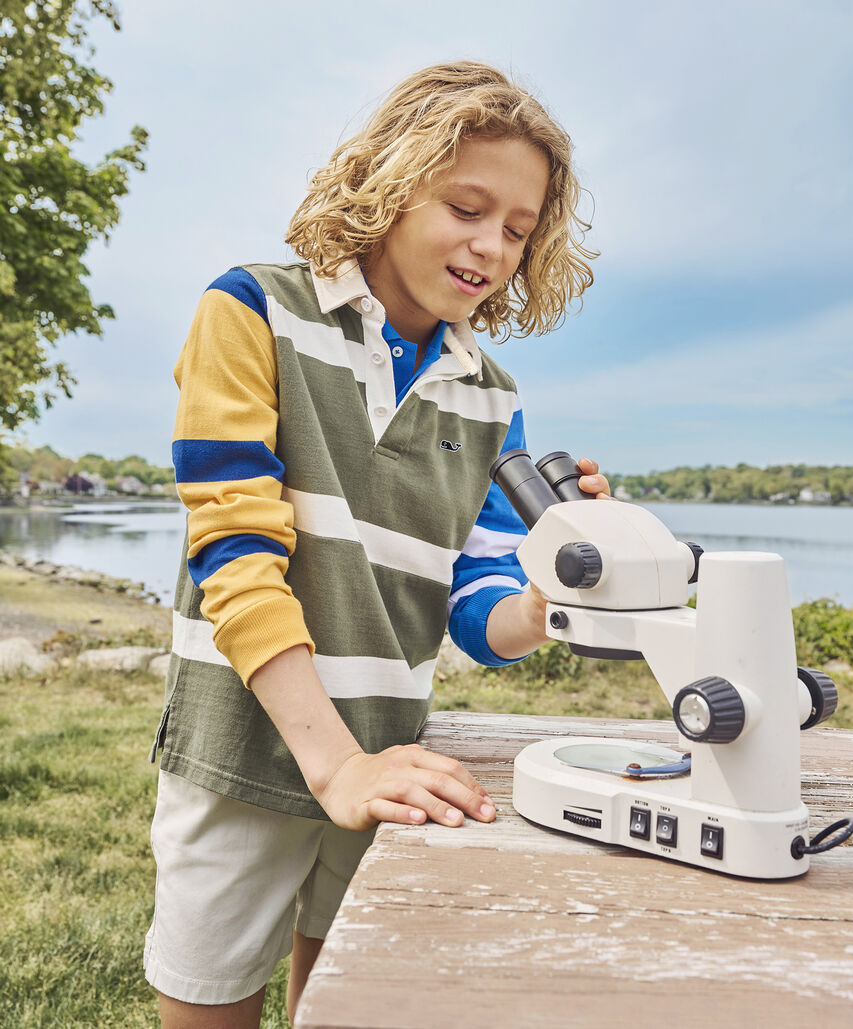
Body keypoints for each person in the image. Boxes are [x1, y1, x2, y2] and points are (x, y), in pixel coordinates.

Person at [144, 61, 608, 1028]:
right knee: (209, 1003)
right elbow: (233, 556)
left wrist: (551, 590)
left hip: (394, 754)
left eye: (519, 232)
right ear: (392, 183)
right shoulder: (250, 309)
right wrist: (332, 764)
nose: (491, 247)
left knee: (346, 1000)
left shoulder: (494, 397)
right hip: (250, 747)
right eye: (467, 207)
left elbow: (476, 614)